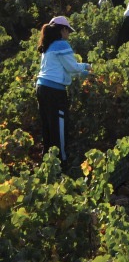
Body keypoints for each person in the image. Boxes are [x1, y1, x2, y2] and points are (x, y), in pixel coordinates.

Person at [36, 16, 91, 170]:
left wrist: (81, 68)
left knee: (48, 125)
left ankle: (47, 162)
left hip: (42, 88)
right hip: (54, 91)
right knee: (59, 127)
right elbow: (72, 68)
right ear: (63, 30)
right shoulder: (61, 44)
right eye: (68, 31)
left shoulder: (48, 45)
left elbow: (65, 68)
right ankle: (62, 163)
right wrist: (87, 67)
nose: (69, 35)